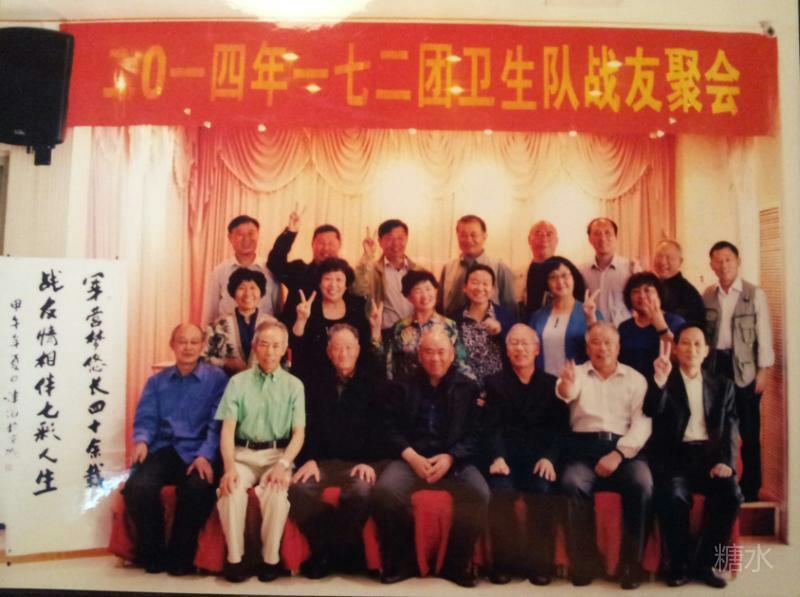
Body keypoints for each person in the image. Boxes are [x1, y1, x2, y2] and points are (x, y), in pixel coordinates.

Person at [372, 327, 490, 588]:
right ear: (419, 354)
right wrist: (412, 457)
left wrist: (450, 457)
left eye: (441, 351)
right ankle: (403, 562)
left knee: (480, 493)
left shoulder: (468, 387)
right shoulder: (402, 385)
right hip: (411, 457)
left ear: (452, 355)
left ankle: (455, 565)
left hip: (453, 459)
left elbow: (475, 433)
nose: (435, 358)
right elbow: (388, 428)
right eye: (428, 351)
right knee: (384, 492)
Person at [123, 323, 228, 575]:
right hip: (165, 449)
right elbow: (146, 418)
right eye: (182, 341)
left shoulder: (217, 379)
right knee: (137, 486)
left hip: (199, 451)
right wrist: (142, 441)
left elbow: (217, 424)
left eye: (194, 342)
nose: (188, 347)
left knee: (197, 488)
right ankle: (153, 554)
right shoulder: (157, 382)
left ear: (202, 346)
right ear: (172, 345)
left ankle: (181, 557)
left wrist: (205, 455)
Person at [644, 324, 743, 588]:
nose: (691, 349)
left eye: (698, 344)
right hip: (675, 459)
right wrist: (659, 381)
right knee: (673, 496)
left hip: (710, 459)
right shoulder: (665, 380)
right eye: (685, 343)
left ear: (706, 351)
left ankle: (705, 564)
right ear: (675, 349)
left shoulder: (722, 386)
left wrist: (726, 462)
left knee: (731, 494)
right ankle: (679, 564)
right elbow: (650, 411)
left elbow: (731, 428)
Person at [557, 322, 652, 589]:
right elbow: (565, 393)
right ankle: (585, 562)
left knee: (642, 484)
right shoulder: (576, 373)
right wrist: (566, 385)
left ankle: (631, 564)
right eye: (596, 342)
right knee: (572, 483)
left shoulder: (635, 379)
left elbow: (643, 424)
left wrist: (619, 454)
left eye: (608, 342)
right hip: (583, 449)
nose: (602, 348)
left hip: (625, 449)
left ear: (618, 347)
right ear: (588, 348)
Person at [288, 324, 387, 579]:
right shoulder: (314, 382)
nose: (343, 353)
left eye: (349, 348)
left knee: (361, 491)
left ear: (358, 350)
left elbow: (381, 428)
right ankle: (338, 549)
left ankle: (325, 556)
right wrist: (309, 459)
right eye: (337, 348)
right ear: (329, 352)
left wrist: (368, 462)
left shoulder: (373, 383)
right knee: (298, 490)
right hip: (322, 461)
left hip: (358, 462)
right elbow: (305, 425)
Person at [215, 321, 305, 583]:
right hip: (243, 454)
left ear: (284, 349)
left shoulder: (294, 385)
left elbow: (299, 434)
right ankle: (235, 559)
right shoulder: (237, 383)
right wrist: (229, 467)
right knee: (231, 490)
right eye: (264, 344)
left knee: (276, 493)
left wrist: (283, 464)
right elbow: (227, 431)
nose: (269, 351)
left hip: (277, 455)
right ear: (254, 346)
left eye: (276, 345)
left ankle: (270, 560)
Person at [482, 324, 570, 586]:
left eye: (525, 343)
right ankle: (504, 563)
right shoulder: (494, 383)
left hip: (538, 459)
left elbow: (559, 428)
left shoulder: (552, 384)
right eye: (514, 344)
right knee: (500, 491)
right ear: (507, 350)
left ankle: (539, 563)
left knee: (542, 490)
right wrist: (497, 457)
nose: (519, 349)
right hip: (506, 459)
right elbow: (491, 427)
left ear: (537, 350)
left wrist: (549, 458)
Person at [702, 241, 774, 502]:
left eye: (728, 259)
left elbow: (764, 334)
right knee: (716, 427)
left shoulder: (754, 294)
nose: (723, 265)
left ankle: (751, 488)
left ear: (737, 261)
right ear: (711, 265)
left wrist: (763, 370)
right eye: (718, 260)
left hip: (744, 369)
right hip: (715, 367)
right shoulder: (707, 295)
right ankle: (720, 481)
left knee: (749, 429)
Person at [290, 257, 380, 382]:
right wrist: (301, 320)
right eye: (327, 279)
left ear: (346, 285)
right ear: (320, 283)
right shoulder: (309, 309)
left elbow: (367, 351)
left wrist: (375, 328)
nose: (333, 285)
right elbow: (296, 349)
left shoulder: (356, 308)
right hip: (315, 378)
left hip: (352, 377)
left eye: (339, 279)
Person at [382, 269, 470, 381]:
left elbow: (461, 362)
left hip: (442, 387)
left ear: (435, 291)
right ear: (409, 297)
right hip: (409, 388)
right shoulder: (400, 327)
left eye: (428, 289)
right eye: (418, 290)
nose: (425, 295)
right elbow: (390, 364)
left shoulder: (449, 326)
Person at [267, 206, 341, 328]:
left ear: (339, 246)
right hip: (293, 335)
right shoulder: (299, 270)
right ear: (312, 244)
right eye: (321, 243)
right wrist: (290, 232)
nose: (326, 248)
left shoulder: (345, 278)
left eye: (331, 243)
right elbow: (274, 263)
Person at [202, 215, 280, 328]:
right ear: (230, 237)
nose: (246, 239)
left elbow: (278, 309)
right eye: (240, 234)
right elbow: (210, 313)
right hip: (229, 334)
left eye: (251, 233)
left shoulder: (270, 269)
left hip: (264, 334)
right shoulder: (220, 271)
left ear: (258, 235)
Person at [529, 256, 599, 377]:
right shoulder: (537, 317)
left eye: (565, 275)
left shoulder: (591, 312)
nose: (560, 281)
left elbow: (601, 349)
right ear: (547, 283)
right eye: (553, 277)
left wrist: (591, 321)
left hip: (578, 382)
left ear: (574, 278)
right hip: (544, 383)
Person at [437, 214, 517, 319]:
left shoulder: (500, 268)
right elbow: (439, 306)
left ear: (484, 236)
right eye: (463, 235)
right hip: (452, 327)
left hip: (491, 328)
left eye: (473, 235)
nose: (468, 240)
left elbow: (511, 309)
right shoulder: (448, 268)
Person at [204, 268, 277, 376]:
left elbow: (282, 358)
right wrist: (225, 362)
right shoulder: (219, 323)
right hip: (228, 382)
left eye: (253, 288)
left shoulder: (272, 324)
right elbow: (205, 356)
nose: (247, 293)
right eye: (241, 288)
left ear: (261, 292)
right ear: (233, 292)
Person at [353, 219, 419, 339]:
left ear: (406, 239)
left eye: (400, 238)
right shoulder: (373, 270)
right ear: (380, 241)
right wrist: (367, 256)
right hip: (385, 334)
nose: (395, 243)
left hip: (415, 333)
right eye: (390, 238)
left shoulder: (418, 270)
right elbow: (358, 289)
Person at [452, 263, 516, 384]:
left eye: (485, 283)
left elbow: (517, 349)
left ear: (493, 290)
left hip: (499, 387)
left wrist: (500, 332)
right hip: (464, 386)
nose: (480, 288)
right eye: (475, 282)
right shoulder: (454, 319)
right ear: (465, 287)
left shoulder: (506, 316)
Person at [618, 272, 685, 378]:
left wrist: (661, 327)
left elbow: (680, 359)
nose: (641, 296)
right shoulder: (624, 327)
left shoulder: (676, 322)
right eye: (635, 291)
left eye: (647, 290)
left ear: (659, 294)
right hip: (631, 384)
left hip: (665, 385)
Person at [579, 217, 639, 326]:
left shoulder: (630, 268)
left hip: (624, 330)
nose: (602, 238)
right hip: (593, 330)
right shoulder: (581, 271)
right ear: (589, 239)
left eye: (607, 233)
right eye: (597, 234)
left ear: (616, 237)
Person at [652, 239, 706, 323]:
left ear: (680, 261)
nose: (662, 262)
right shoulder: (652, 286)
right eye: (659, 256)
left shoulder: (688, 293)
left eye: (669, 257)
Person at [524, 220, 560, 318]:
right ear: (529, 239)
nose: (544, 237)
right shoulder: (517, 275)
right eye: (538, 233)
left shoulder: (567, 275)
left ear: (556, 241)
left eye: (549, 234)